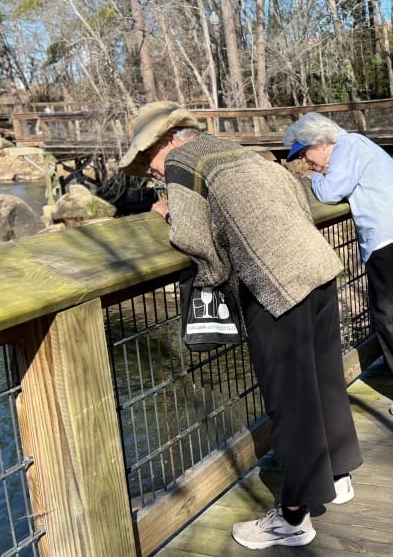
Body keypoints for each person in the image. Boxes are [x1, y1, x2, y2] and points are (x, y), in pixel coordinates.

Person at [118, 102, 362, 550]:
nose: (151, 170)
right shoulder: (240, 151)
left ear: (166, 140)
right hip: (318, 266)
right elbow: (296, 197)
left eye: (146, 157)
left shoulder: (181, 161)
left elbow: (193, 238)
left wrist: (171, 216)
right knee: (325, 378)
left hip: (274, 284)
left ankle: (292, 518)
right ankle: (339, 476)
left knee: (291, 401)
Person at [283, 112, 393, 419]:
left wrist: (313, 179)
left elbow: (332, 192)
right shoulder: (358, 146)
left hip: (388, 239)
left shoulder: (348, 147)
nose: (306, 163)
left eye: (305, 154)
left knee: (392, 314)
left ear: (320, 143)